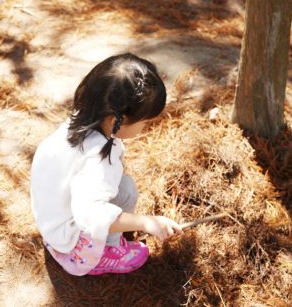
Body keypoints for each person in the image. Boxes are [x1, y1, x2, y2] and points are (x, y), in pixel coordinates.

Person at [30, 53, 183, 276]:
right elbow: (92, 216)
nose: (146, 128)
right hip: (69, 241)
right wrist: (145, 222)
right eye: (144, 122)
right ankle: (102, 254)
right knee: (127, 190)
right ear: (115, 120)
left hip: (51, 223)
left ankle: (100, 240)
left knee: (121, 186)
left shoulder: (80, 121)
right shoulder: (97, 161)